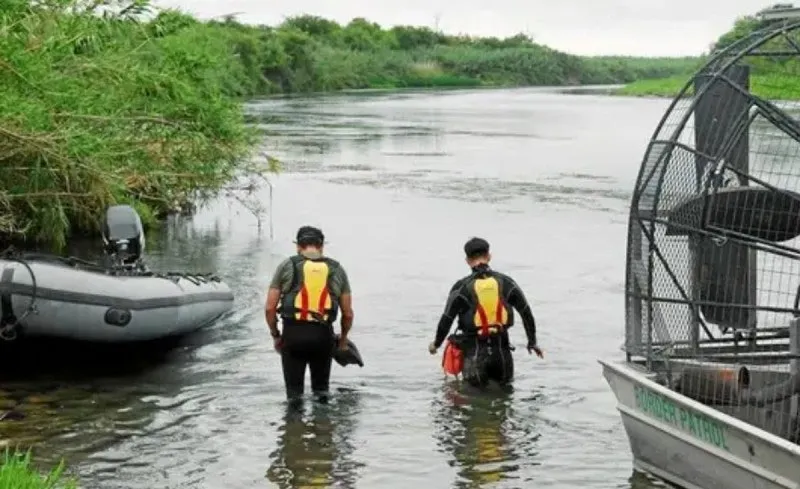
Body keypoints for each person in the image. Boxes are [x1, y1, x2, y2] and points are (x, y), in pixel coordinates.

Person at [429, 237, 543, 388]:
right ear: (489, 256)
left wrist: (436, 344)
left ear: (467, 260)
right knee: (504, 403)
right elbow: (526, 313)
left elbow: (446, 320)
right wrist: (532, 342)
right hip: (502, 355)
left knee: (475, 403)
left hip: (474, 355)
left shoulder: (461, 288)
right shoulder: (507, 283)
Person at [265, 226, 354, 403]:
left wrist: (276, 336)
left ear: (298, 246)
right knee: (321, 395)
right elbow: (348, 314)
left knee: (293, 397)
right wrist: (342, 341)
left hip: (292, 338)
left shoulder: (286, 266)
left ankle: (292, 427)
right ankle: (322, 427)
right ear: (321, 246)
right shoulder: (336, 269)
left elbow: (269, 308)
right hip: (322, 338)